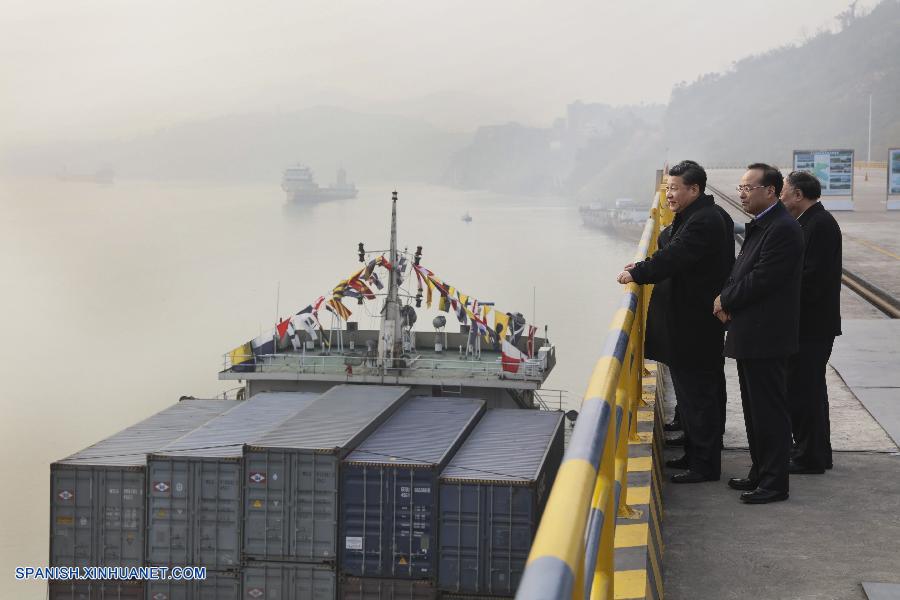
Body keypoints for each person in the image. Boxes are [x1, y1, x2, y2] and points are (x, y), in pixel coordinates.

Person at [617, 160, 734, 483]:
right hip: (691, 321)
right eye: (667, 187)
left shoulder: (704, 221)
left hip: (693, 323)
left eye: (674, 188)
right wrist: (647, 263)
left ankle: (704, 465)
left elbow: (676, 254)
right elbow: (671, 247)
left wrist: (638, 272)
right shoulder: (700, 216)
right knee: (696, 392)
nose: (668, 194)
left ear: (694, 189)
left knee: (699, 394)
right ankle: (697, 452)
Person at [714, 163, 803, 504]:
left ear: (771, 190)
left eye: (749, 187)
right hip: (751, 333)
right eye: (741, 187)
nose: (742, 193)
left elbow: (762, 278)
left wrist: (725, 299)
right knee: (754, 410)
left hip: (767, 335)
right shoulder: (763, 226)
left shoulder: (782, 229)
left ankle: (774, 483)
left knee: (769, 411)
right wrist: (726, 295)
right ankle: (760, 471)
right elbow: (740, 271)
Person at [780, 170, 842, 473]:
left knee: (805, 391)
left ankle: (811, 456)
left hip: (813, 326)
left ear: (798, 195)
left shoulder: (820, 225)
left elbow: (811, 278)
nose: (781, 197)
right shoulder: (809, 222)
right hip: (807, 324)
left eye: (784, 192)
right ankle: (812, 450)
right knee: (807, 390)